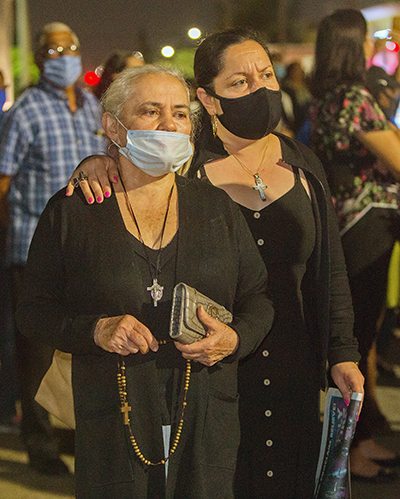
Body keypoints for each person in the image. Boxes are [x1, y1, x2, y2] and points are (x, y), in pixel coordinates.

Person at [65, 28, 365, 499]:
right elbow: (130, 191)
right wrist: (95, 161)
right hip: (210, 372)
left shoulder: (303, 163)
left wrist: (343, 352)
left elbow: (332, 269)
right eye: (240, 82)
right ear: (209, 98)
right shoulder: (185, 166)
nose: (261, 89)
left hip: (294, 368)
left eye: (266, 75)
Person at [16, 64, 274, 498]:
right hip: (113, 419)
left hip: (206, 416)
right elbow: (32, 312)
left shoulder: (218, 209)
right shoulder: (74, 212)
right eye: (150, 112)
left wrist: (234, 340)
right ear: (113, 128)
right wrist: (95, 329)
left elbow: (258, 298)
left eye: (178, 112)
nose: (169, 125)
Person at [0, 21, 106, 475]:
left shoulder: (91, 106)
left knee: (81, 344)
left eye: (70, 47)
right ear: (41, 58)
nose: (64, 55)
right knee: (37, 350)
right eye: (54, 49)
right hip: (32, 247)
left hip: (87, 248)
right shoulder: (23, 112)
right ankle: (39, 441)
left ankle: (75, 430)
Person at [309, 9, 400, 482]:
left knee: (356, 338)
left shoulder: (326, 98)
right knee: (356, 339)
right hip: (366, 227)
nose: (372, 48)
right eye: (366, 39)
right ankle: (346, 457)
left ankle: (359, 442)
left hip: (349, 225)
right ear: (351, 44)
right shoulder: (354, 97)